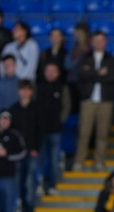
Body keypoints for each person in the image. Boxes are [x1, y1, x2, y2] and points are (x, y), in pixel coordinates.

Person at [72, 31, 114, 173]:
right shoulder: (85, 58)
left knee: (102, 133)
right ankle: (79, 162)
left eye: (101, 40)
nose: (98, 43)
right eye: (96, 40)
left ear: (105, 42)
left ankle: (99, 161)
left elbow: (112, 77)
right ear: (92, 42)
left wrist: (91, 73)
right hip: (88, 100)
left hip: (105, 101)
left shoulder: (111, 60)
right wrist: (99, 73)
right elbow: (81, 75)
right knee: (84, 133)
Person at [36, 62, 71, 194]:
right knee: (40, 160)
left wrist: (60, 121)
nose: (50, 73)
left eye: (53, 71)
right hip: (40, 130)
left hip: (55, 130)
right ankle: (39, 185)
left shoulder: (62, 87)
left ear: (58, 73)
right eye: (48, 71)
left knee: (54, 159)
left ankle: (52, 185)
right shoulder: (38, 87)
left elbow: (66, 106)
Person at [7, 80, 40, 212]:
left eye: (27, 89)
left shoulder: (37, 108)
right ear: (18, 91)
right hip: (17, 153)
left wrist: (36, 148)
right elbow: (11, 133)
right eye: (22, 89)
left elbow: (40, 130)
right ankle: (18, 206)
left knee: (30, 180)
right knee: (17, 181)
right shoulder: (13, 109)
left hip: (32, 151)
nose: (25, 92)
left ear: (31, 91)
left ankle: (29, 208)